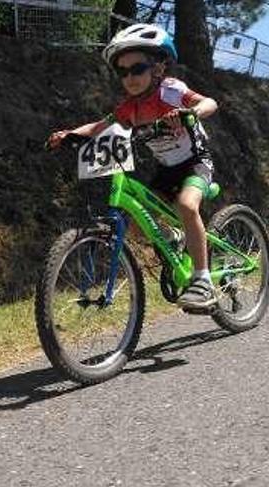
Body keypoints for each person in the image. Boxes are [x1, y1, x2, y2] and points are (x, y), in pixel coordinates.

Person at [47, 23, 219, 310]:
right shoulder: (129, 108)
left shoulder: (171, 91)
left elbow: (209, 102)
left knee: (188, 207)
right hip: (166, 169)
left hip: (195, 162)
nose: (130, 77)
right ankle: (174, 237)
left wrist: (191, 113)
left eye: (137, 68)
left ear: (159, 67)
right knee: (137, 223)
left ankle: (203, 280)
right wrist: (71, 133)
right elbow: (101, 126)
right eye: (122, 72)